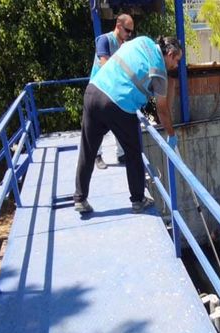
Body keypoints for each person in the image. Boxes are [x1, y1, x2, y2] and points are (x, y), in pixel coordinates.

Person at [73, 36, 182, 213]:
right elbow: (162, 110)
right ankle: (138, 200)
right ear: (169, 54)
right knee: (133, 153)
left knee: (88, 149)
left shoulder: (143, 41)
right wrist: (171, 134)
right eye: (176, 60)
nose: (176, 65)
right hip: (119, 104)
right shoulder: (160, 70)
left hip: (93, 91)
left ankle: (80, 198)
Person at [92, 14, 134, 170]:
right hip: (99, 88)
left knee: (119, 121)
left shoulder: (124, 44)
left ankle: (121, 154)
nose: (129, 35)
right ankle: (96, 155)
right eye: (127, 30)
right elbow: (104, 64)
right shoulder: (104, 40)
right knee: (97, 125)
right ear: (118, 25)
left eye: (131, 32)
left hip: (114, 89)